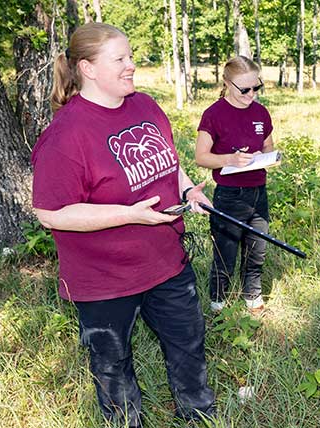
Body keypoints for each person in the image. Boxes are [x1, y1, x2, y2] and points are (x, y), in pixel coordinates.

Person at [31, 23, 216, 427]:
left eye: (131, 56)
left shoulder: (145, 106)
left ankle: (199, 417)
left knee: (188, 345)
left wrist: (187, 191)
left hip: (167, 262)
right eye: (120, 59)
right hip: (105, 280)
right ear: (88, 68)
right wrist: (130, 214)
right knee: (113, 366)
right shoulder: (66, 135)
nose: (132, 65)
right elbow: (51, 213)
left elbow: (170, 162)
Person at [195, 56, 274, 315]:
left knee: (256, 249)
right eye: (244, 89)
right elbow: (201, 156)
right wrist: (229, 159)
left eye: (256, 88)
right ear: (227, 83)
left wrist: (268, 157)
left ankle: (252, 297)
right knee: (225, 254)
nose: (251, 94)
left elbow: (267, 146)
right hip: (229, 195)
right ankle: (218, 304)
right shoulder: (214, 114)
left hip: (258, 192)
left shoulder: (261, 113)